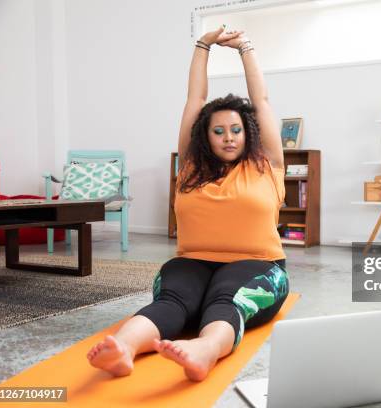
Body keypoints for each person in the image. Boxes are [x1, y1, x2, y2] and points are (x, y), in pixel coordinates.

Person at [86, 25, 289, 382]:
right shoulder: (191, 166)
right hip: (192, 262)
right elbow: (194, 101)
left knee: (226, 300)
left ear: (248, 132)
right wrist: (202, 46)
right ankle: (123, 349)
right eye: (218, 130)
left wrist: (245, 48)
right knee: (172, 302)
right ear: (204, 135)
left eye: (236, 129)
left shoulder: (266, 166)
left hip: (257, 264)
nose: (228, 137)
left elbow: (263, 102)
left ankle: (204, 351)